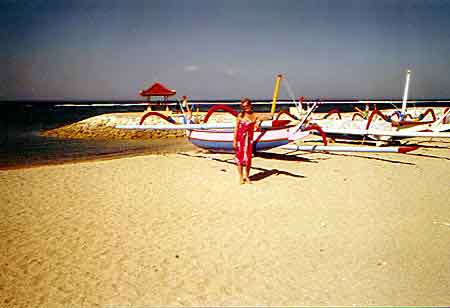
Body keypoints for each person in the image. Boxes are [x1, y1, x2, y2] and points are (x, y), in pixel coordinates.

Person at [233, 98, 261, 184]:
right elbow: (236, 129)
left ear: (250, 105)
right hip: (240, 139)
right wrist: (234, 140)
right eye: (244, 106)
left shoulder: (255, 115)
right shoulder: (240, 116)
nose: (246, 108)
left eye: (247, 105)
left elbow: (259, 122)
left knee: (248, 159)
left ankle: (247, 177)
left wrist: (258, 123)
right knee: (240, 158)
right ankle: (241, 177)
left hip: (249, 140)